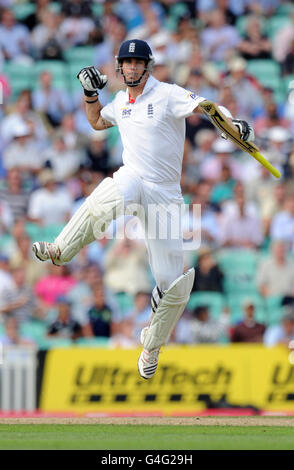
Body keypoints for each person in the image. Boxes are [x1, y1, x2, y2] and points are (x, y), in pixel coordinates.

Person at [32, 38, 255, 379]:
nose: (133, 68)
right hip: (134, 178)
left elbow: (205, 107)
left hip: (166, 195)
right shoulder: (120, 102)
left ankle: (151, 344)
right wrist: (90, 94)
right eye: (127, 62)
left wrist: (231, 125)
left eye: (138, 63)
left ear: (147, 66)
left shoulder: (167, 93)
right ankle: (61, 249)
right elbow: (96, 122)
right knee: (112, 190)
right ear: (119, 67)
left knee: (175, 285)